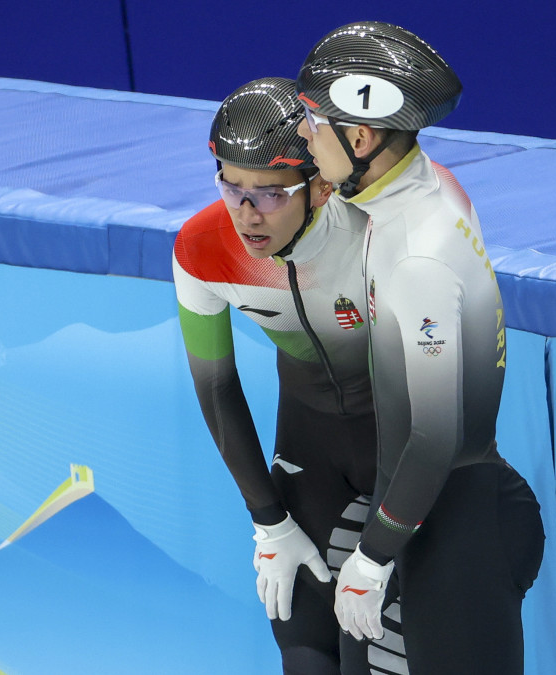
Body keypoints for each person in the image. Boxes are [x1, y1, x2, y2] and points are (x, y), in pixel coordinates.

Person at [295, 22, 546, 673]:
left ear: (361, 136)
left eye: (312, 120)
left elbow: (434, 436)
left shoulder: (421, 258)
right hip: (419, 512)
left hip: (456, 529)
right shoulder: (413, 189)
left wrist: (373, 556)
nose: (302, 134)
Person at [172, 77, 398, 674]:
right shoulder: (203, 247)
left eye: (269, 194)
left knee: (367, 659)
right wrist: (268, 522)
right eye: (231, 187)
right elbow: (216, 384)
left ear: (320, 185)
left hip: (405, 453)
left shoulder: (378, 231)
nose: (247, 213)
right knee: (305, 652)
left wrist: (390, 541)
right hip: (309, 453)